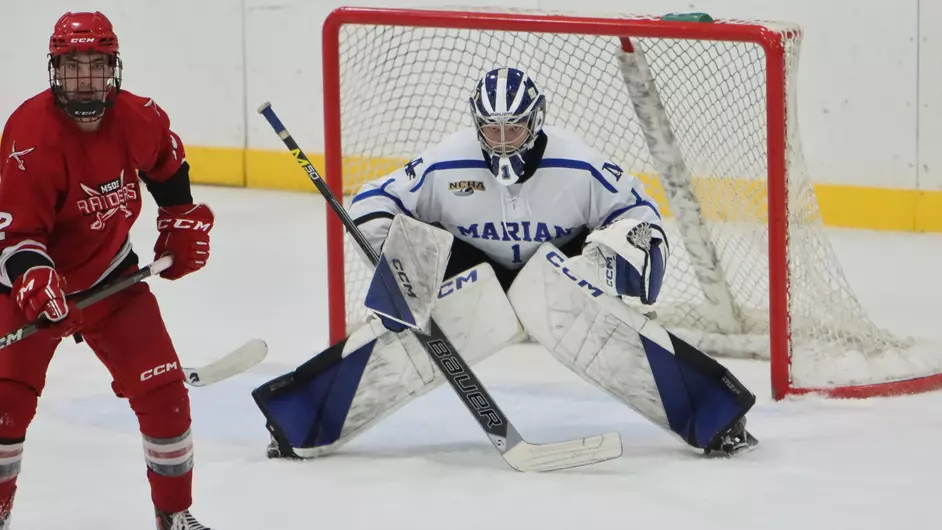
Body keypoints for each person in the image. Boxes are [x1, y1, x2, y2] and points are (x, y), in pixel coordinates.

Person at [252, 67, 757, 464]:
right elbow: (374, 198)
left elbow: (639, 213)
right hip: (470, 268)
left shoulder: (578, 164)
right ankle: (298, 422)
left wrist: (625, 251)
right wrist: (393, 255)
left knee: (596, 326)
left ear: (534, 121)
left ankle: (716, 417)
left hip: (557, 268)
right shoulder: (447, 161)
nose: (501, 139)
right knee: (404, 337)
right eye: (490, 129)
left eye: (512, 127)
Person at [0, 11, 215, 530]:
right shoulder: (29, 137)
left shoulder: (139, 117)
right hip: (26, 285)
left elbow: (166, 164)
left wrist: (181, 220)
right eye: (73, 67)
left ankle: (176, 516)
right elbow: (15, 236)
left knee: (164, 396)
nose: (85, 79)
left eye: (96, 66)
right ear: (55, 70)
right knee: (5, 407)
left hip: (112, 279)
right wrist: (35, 278)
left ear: (113, 69)